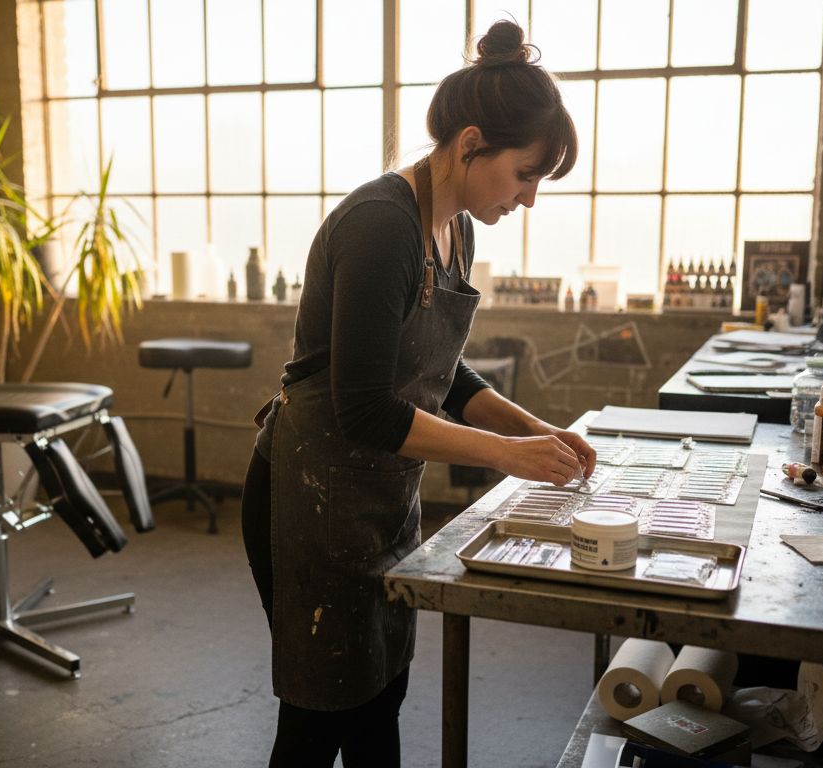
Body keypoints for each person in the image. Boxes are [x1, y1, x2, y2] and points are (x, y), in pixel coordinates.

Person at [242, 20, 597, 767]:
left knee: (381, 694)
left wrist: (542, 431)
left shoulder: (455, 227)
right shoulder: (382, 225)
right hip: (312, 494)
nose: (529, 199)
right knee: (318, 715)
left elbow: (441, 374)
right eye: (525, 174)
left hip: (379, 497)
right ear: (471, 143)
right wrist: (509, 456)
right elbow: (367, 405)